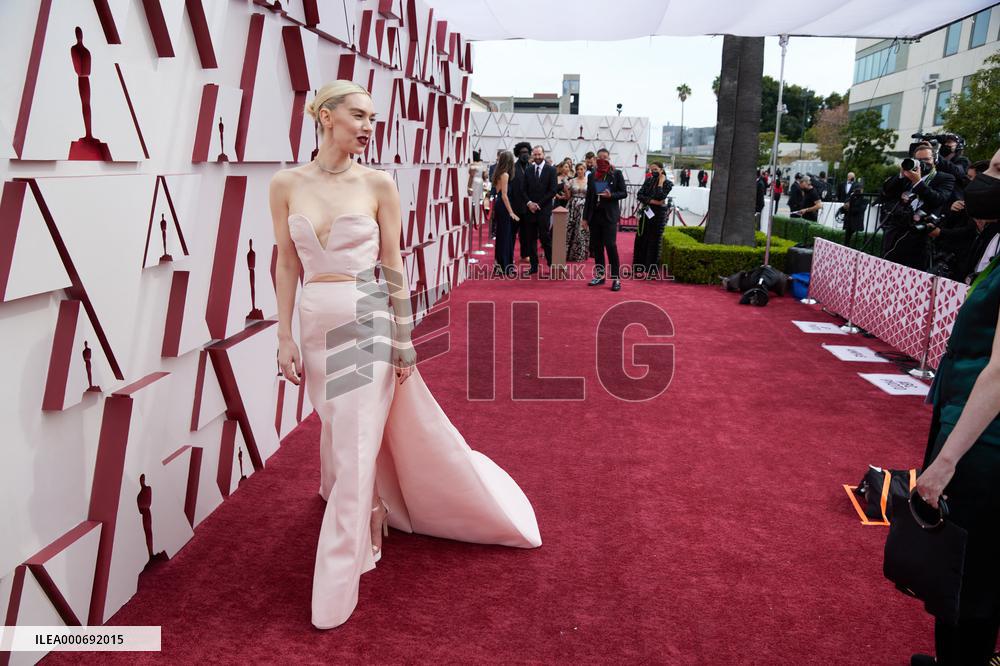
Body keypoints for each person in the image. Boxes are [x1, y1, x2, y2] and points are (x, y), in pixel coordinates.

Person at [268, 81, 541, 630]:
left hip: (366, 314)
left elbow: (392, 265)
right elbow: (286, 265)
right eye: (359, 116)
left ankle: (338, 582)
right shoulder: (285, 183)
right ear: (326, 116)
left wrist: (403, 336)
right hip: (315, 318)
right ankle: (371, 504)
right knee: (340, 427)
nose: (369, 127)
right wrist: (283, 334)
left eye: (373, 118)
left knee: (356, 435)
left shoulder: (378, 185)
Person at [909, 145, 1000, 666]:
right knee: (963, 577)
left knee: (970, 579)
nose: (977, 178)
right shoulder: (995, 239)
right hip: (964, 423)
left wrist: (945, 463)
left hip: (983, 446)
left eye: (994, 171)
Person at [880, 142, 956, 270]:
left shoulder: (945, 178)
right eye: (918, 160)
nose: (922, 163)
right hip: (897, 230)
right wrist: (901, 175)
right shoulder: (907, 176)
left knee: (913, 272)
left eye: (926, 159)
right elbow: (888, 192)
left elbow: (938, 199)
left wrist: (918, 182)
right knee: (888, 268)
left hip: (921, 234)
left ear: (935, 160)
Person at [583, 148, 627, 291]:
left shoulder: (616, 174)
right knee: (597, 248)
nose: (603, 159)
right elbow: (589, 198)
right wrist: (585, 218)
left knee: (610, 246)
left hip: (609, 216)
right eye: (600, 157)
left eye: (605, 157)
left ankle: (616, 279)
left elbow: (624, 193)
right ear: (596, 159)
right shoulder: (591, 176)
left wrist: (611, 195)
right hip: (595, 216)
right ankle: (600, 276)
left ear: (609, 158)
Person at [633, 161, 673, 278]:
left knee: (654, 242)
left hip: (658, 216)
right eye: (651, 170)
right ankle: (639, 267)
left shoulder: (668, 183)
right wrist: (652, 201)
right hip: (646, 213)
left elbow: (661, 196)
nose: (653, 172)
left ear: (661, 170)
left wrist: (660, 183)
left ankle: (651, 270)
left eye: (655, 170)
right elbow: (640, 195)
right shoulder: (649, 181)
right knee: (641, 239)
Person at [523, 145, 558, 274]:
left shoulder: (551, 170)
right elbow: (523, 190)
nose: (537, 157)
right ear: (533, 155)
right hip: (530, 210)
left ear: (543, 154)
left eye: (539, 154)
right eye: (535, 155)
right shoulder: (528, 170)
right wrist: (529, 203)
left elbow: (553, 190)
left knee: (545, 238)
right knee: (530, 239)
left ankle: (551, 264)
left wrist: (538, 204)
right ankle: (533, 266)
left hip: (544, 209)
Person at [491, 150, 519, 276]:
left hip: (499, 205)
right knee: (505, 236)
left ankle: (501, 265)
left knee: (502, 235)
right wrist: (511, 212)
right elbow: (504, 195)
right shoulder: (505, 175)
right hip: (503, 206)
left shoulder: (498, 173)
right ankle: (504, 265)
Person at [511, 141, 532, 264]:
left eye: (527, 152)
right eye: (522, 152)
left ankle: (525, 254)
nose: (525, 154)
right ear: (518, 154)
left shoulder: (532, 167)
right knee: (512, 233)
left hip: (528, 206)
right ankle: (510, 254)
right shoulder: (512, 168)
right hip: (515, 206)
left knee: (526, 233)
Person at [564, 162, 590, 263]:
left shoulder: (589, 181)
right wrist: (566, 189)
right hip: (572, 207)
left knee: (581, 231)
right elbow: (568, 197)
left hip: (584, 207)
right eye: (578, 169)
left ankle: (579, 255)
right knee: (569, 230)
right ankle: (567, 254)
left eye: (582, 169)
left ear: (585, 170)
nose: (579, 171)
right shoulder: (571, 181)